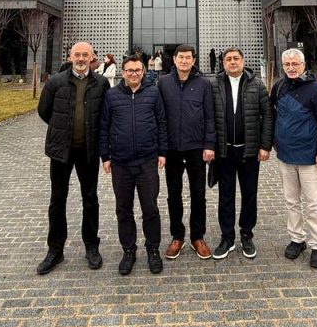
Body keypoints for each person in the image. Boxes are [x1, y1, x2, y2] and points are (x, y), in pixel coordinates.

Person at [36, 41, 111, 275]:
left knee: (90, 199)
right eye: (77, 55)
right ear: (70, 57)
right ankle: (55, 249)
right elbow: (44, 111)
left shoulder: (101, 83)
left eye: (85, 55)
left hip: (88, 151)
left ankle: (91, 246)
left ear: (92, 58)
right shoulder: (56, 82)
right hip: (61, 151)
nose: (80, 59)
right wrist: (62, 129)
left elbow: (105, 115)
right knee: (58, 200)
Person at [100, 55, 167, 275]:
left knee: (150, 209)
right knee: (123, 210)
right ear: (123, 72)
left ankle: (153, 249)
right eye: (129, 70)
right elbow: (104, 127)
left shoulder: (153, 92)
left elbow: (161, 122)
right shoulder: (111, 95)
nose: (134, 74)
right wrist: (105, 157)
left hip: (147, 161)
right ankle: (128, 250)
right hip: (121, 163)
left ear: (143, 71)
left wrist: (162, 152)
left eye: (137, 70)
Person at [271, 48, 317, 269]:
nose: (290, 68)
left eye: (295, 64)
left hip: (310, 157)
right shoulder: (278, 87)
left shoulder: (316, 91)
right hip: (285, 156)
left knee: (313, 203)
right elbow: (272, 115)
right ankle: (297, 239)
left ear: (303, 65)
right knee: (291, 201)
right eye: (287, 64)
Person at [211, 48, 272, 259]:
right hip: (224, 152)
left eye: (236, 58)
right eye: (228, 59)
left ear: (243, 61)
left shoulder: (257, 84)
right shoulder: (215, 84)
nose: (232, 62)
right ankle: (227, 237)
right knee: (225, 195)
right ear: (223, 63)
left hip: (249, 151)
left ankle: (246, 234)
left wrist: (265, 146)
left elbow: (268, 116)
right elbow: (208, 117)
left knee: (249, 194)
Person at [157, 44, 215, 260]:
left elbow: (210, 116)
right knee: (174, 194)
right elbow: (159, 117)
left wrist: (209, 145)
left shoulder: (203, 84)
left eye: (188, 57)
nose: (184, 61)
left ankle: (197, 237)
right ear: (174, 60)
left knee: (198, 194)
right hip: (172, 148)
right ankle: (177, 236)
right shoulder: (163, 83)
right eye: (180, 57)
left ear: (193, 60)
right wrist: (160, 148)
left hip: (196, 148)